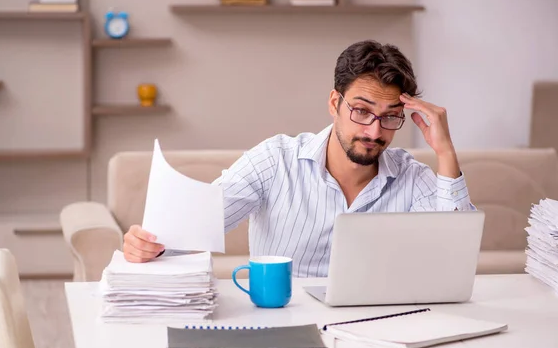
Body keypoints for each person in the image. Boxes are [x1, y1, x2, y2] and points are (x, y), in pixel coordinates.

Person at [122, 40, 475, 277]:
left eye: (390, 116)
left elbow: (455, 260)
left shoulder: (412, 176)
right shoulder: (275, 160)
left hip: (380, 331)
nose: (374, 131)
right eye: (362, 112)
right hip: (284, 323)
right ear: (335, 104)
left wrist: (445, 152)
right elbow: (193, 230)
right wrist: (148, 246)